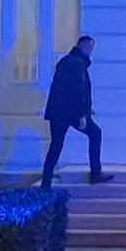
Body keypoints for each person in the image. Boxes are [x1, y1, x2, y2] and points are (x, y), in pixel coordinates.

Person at [40, 31, 108, 184]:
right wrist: (82, 114)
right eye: (89, 47)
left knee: (56, 145)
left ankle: (46, 183)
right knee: (95, 133)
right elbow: (79, 89)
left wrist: (86, 109)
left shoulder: (66, 61)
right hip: (71, 113)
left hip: (58, 112)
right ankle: (95, 173)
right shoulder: (77, 64)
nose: (90, 51)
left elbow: (64, 90)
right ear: (81, 46)